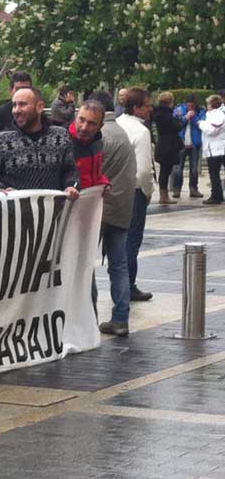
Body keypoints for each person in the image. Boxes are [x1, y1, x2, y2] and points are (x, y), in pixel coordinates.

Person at [84, 92, 136, 337]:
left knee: (85, 263)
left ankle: (89, 316)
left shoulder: (101, 136)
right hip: (122, 206)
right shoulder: (122, 132)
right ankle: (121, 318)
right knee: (119, 265)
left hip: (99, 207)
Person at [0, 87, 80, 198]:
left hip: (54, 211)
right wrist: (0, 189)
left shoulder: (60, 135)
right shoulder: (1, 140)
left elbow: (71, 170)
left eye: (23, 104)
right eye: (14, 105)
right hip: (16, 211)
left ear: (40, 107)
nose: (16, 110)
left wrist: (71, 185)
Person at [116, 87, 155, 303]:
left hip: (113, 191)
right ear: (137, 107)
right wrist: (148, 192)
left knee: (116, 242)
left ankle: (119, 286)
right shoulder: (141, 132)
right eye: (147, 105)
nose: (150, 109)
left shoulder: (115, 125)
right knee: (132, 240)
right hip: (134, 192)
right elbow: (143, 171)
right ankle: (128, 285)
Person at [153, 92, 184, 204]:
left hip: (162, 144)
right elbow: (177, 127)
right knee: (165, 171)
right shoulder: (167, 114)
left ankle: (163, 194)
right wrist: (180, 119)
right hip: (169, 145)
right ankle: (164, 196)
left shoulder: (159, 113)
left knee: (164, 171)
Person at [173, 97, 205, 199]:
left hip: (194, 144)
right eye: (188, 105)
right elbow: (175, 123)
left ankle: (193, 189)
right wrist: (185, 117)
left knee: (194, 169)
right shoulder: (179, 110)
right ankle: (177, 189)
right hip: (181, 143)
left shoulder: (201, 112)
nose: (190, 107)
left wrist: (194, 118)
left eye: (192, 106)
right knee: (178, 168)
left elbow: (202, 125)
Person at [199, 95, 225, 204]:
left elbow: (212, 130)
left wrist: (201, 123)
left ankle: (216, 196)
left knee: (214, 174)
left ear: (212, 104)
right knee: (214, 174)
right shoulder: (215, 114)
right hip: (215, 148)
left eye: (208, 104)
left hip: (216, 148)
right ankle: (217, 195)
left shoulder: (217, 115)